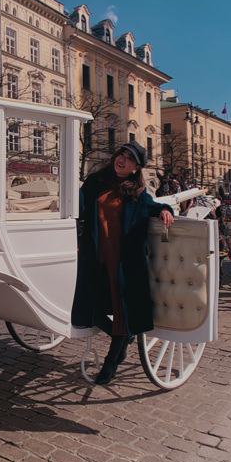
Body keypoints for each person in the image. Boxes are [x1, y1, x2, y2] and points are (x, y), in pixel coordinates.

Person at [71, 142, 175, 385]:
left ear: (136, 168)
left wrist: (166, 210)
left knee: (122, 312)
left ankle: (110, 363)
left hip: (124, 262)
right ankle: (124, 337)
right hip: (96, 257)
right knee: (92, 310)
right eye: (121, 154)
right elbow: (79, 206)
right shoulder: (96, 181)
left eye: (129, 159)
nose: (122, 160)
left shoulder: (137, 193)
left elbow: (154, 207)